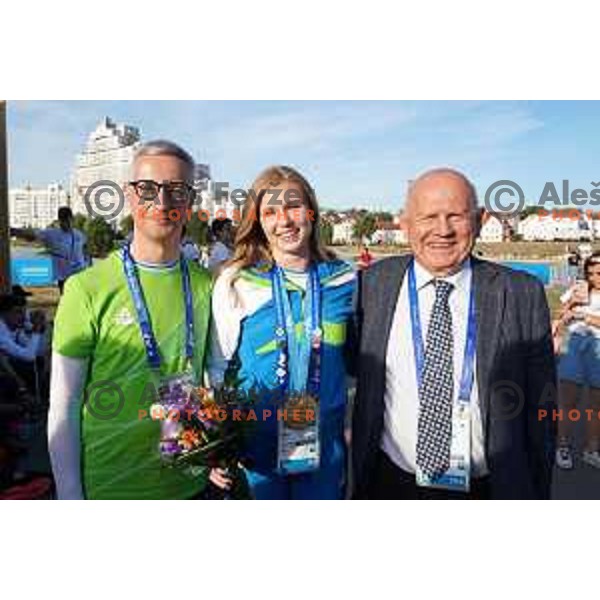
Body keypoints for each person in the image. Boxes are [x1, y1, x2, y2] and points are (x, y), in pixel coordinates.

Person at [352, 168, 556, 500]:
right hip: (389, 482)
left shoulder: (522, 294)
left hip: (489, 488)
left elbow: (542, 413)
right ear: (405, 224)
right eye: (428, 217)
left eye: (456, 216)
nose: (442, 230)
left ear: (478, 219)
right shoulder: (371, 285)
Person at [48, 140, 225, 499]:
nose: (161, 203)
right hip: (111, 488)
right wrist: (69, 495)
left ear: (189, 204)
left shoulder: (208, 285)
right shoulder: (87, 288)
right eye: (148, 189)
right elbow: (63, 406)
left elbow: (212, 378)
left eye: (176, 191)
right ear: (130, 196)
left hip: (190, 486)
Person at [209, 165, 356, 499]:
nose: (285, 221)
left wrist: (348, 430)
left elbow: (349, 369)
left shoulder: (345, 278)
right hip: (257, 452)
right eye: (270, 212)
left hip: (324, 449)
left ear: (311, 212)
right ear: (258, 221)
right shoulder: (236, 282)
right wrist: (218, 444)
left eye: (293, 207)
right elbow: (217, 370)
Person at [554, 252, 600, 470]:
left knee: (596, 404)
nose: (594, 278)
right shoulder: (578, 289)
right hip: (574, 344)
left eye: (598, 273)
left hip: (598, 347)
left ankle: (591, 449)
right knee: (568, 401)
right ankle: (562, 446)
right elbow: (561, 316)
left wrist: (585, 317)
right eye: (590, 273)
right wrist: (572, 302)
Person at [11, 206, 89, 294]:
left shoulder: (79, 234)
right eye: (62, 220)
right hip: (65, 278)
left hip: (81, 275)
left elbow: (86, 250)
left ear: (72, 219)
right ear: (59, 220)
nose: (65, 223)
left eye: (67, 220)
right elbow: (31, 234)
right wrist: (12, 230)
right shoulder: (52, 234)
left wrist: (87, 263)